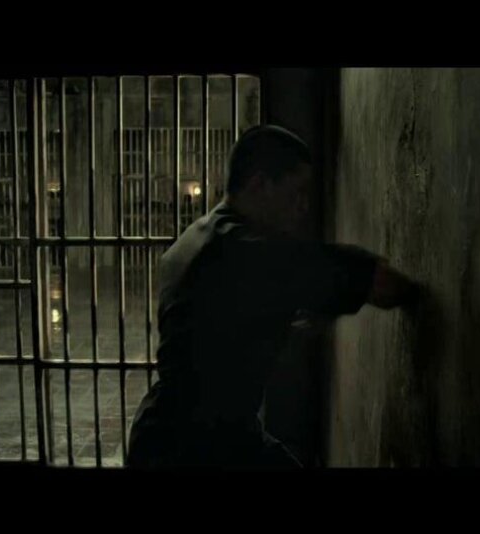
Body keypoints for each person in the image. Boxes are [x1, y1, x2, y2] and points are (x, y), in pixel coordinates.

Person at [126, 125, 419, 468]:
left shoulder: (200, 235)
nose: (303, 206)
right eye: (296, 192)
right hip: (195, 448)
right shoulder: (247, 253)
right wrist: (422, 294)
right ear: (259, 185)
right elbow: (382, 285)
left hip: (182, 433)